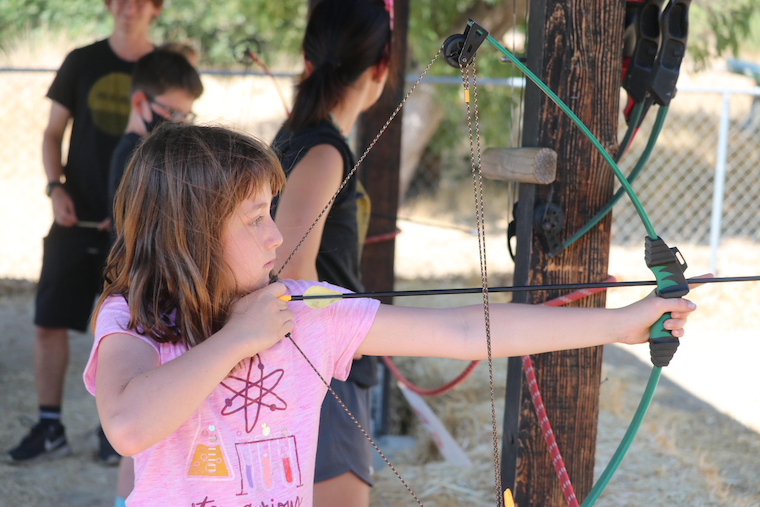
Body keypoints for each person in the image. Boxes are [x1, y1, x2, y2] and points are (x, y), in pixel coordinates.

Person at [85, 124, 695, 507]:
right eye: (253, 219)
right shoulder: (133, 320)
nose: (276, 236)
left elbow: (464, 331)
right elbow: (130, 426)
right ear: (191, 233)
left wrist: (622, 324)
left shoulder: (304, 310)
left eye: (271, 212)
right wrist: (239, 337)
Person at [5, 0, 162, 465]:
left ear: (155, 8)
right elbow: (53, 131)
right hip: (76, 216)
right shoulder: (82, 60)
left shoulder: (162, 67)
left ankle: (111, 428)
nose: (128, 8)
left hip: (136, 222)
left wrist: (148, 211)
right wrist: (55, 188)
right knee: (49, 318)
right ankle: (49, 425)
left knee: (134, 323)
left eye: (140, 1)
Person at [270, 1, 391, 504]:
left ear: (306, 56)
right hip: (321, 369)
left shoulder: (305, 136)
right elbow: (291, 271)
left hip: (312, 364)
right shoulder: (321, 151)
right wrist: (349, 331)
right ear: (382, 65)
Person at [106, 46, 203, 507]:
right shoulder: (137, 157)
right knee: (143, 433)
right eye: (171, 113)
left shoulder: (144, 152)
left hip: (152, 296)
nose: (180, 124)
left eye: (188, 115)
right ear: (140, 103)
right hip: (143, 299)